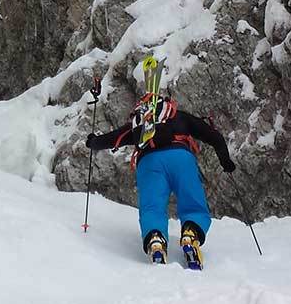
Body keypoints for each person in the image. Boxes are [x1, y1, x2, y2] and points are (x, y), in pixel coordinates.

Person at [85, 68, 236, 269]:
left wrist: (92, 141)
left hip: (149, 162)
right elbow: (214, 136)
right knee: (193, 202)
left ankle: (156, 239)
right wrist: (226, 162)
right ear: (167, 104)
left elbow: (112, 139)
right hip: (181, 158)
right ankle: (191, 233)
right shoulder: (180, 117)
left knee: (152, 207)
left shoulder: (138, 125)